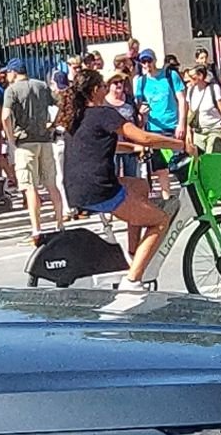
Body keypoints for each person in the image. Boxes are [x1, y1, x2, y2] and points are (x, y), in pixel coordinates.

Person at [55, 65, 182, 286]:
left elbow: (99, 146)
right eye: (104, 86)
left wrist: (132, 149)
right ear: (96, 90)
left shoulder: (76, 117)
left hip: (76, 188)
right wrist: (181, 144)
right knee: (161, 220)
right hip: (100, 189)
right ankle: (133, 281)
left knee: (141, 186)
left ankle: (134, 253)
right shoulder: (104, 114)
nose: (106, 89)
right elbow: (144, 137)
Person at [4, 59, 63, 236]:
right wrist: (52, 124)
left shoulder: (12, 90)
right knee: (51, 184)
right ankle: (60, 222)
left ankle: (36, 228)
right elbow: (61, 102)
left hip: (25, 141)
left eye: (8, 72)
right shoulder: (41, 86)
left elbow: (5, 116)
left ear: (14, 72)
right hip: (44, 139)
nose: (7, 76)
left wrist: (10, 137)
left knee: (30, 186)